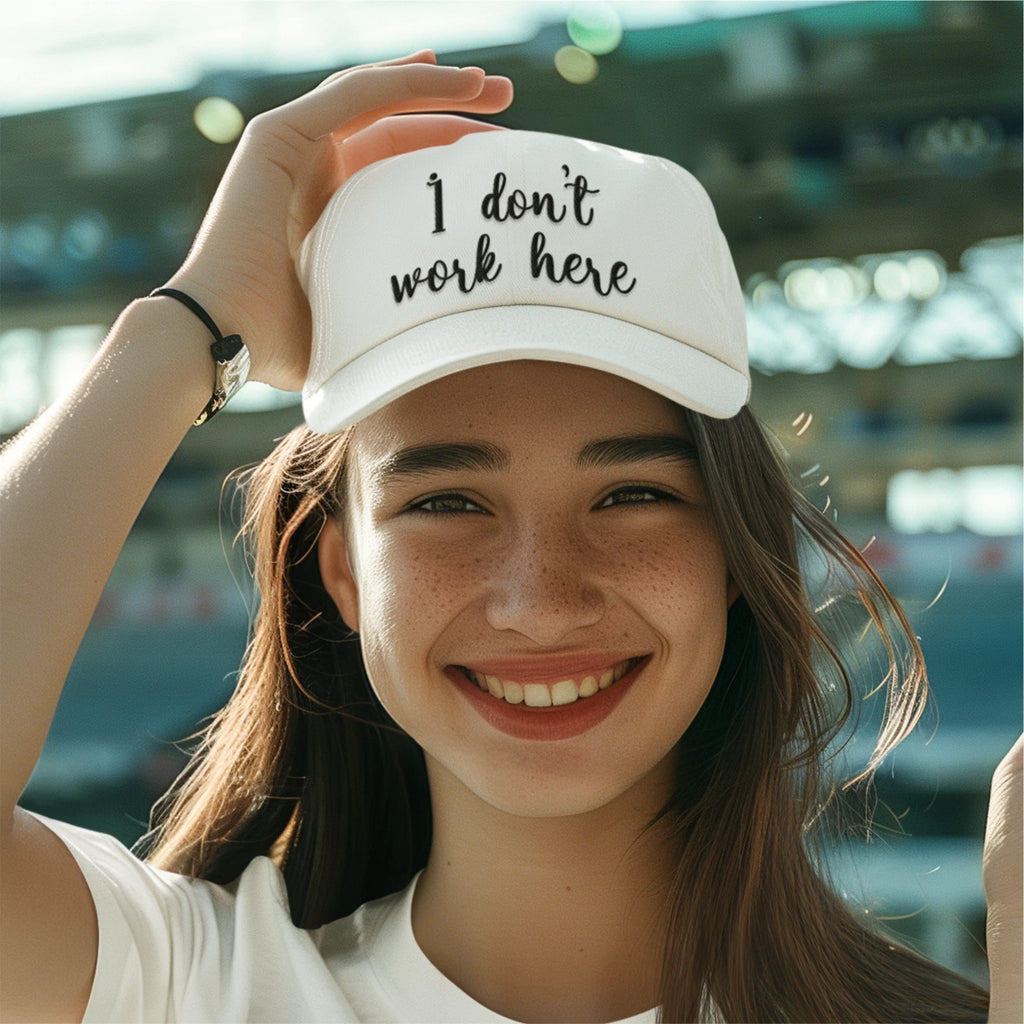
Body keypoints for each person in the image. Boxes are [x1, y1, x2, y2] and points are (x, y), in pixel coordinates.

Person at [0, 51, 1019, 1024]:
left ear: (732, 557)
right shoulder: (188, 985)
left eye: (630, 496)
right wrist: (191, 322)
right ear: (344, 569)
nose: (540, 597)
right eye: (447, 503)